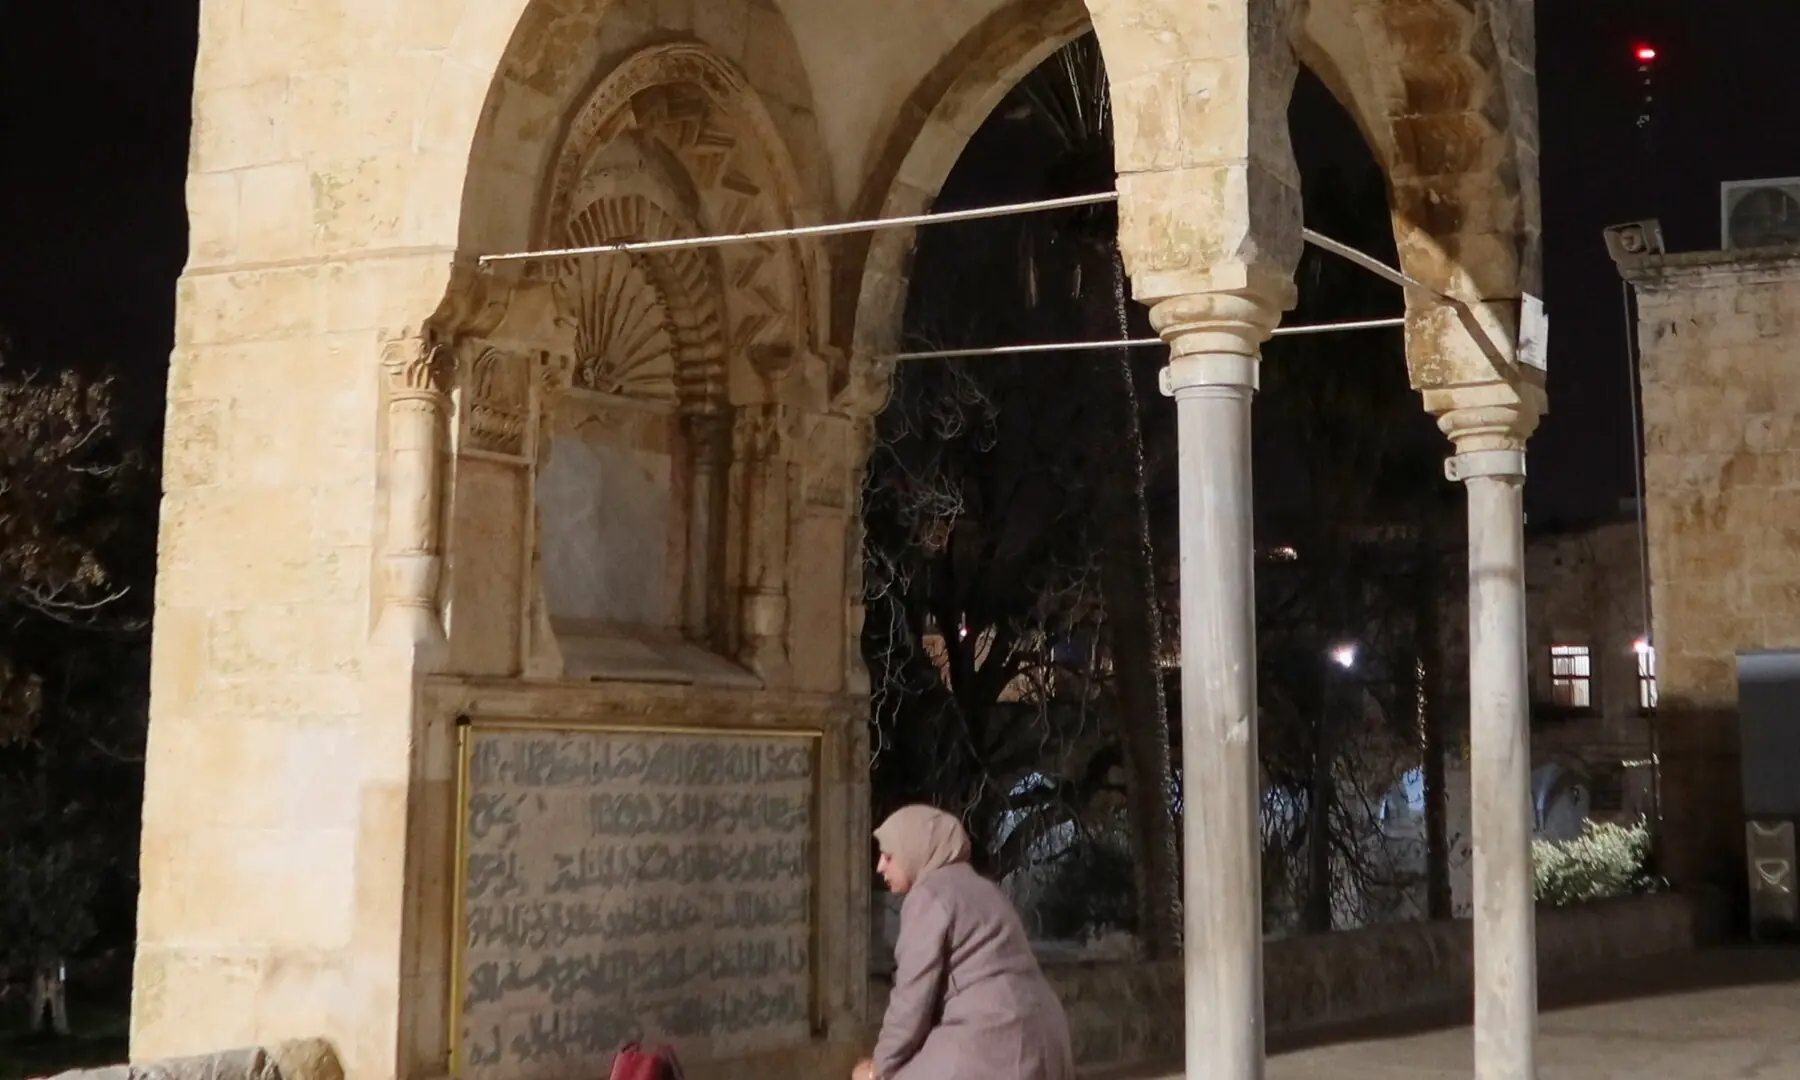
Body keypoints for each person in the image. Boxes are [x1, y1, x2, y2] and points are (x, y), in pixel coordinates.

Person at [851, 805, 1076, 1080]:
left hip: (994, 1040)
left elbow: (912, 999)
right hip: (1048, 1039)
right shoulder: (984, 889)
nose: (880, 867)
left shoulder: (929, 896)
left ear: (914, 851)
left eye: (888, 856)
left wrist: (878, 1068)